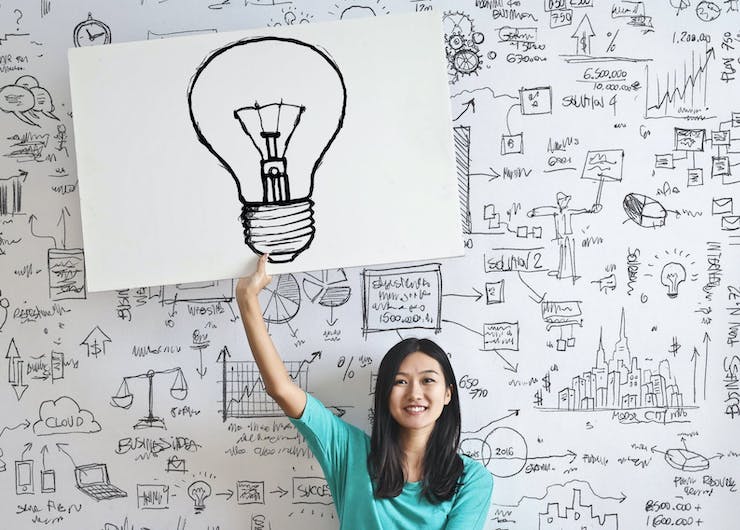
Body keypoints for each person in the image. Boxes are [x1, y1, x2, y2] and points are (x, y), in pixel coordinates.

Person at [236, 254, 493, 530]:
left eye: (428, 381)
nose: (415, 393)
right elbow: (282, 389)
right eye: (400, 382)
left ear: (447, 394)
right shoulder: (349, 451)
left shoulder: (471, 479)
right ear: (384, 393)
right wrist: (247, 298)